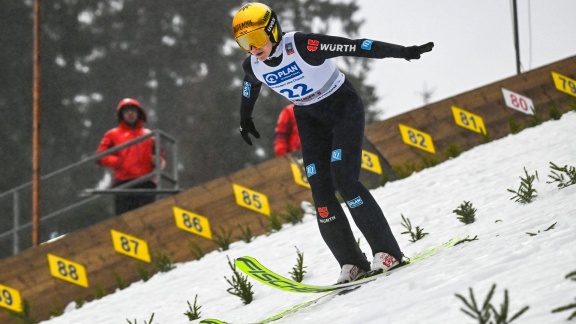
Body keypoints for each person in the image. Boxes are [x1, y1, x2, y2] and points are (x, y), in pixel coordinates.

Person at [232, 3, 434, 283]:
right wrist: (245, 117)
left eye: (255, 39)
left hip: (342, 107)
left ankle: (388, 252)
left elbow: (355, 46)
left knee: (345, 179)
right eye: (244, 43)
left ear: (272, 30)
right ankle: (352, 262)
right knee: (321, 192)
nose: (252, 48)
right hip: (308, 117)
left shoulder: (302, 45)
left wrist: (401, 51)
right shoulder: (253, 64)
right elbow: (248, 86)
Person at [96, 98, 165, 215]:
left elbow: (161, 157)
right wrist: (117, 161)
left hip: (147, 183)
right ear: (121, 115)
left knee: (149, 219)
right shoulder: (112, 134)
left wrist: (158, 162)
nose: (130, 113)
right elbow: (100, 156)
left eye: (133, 110)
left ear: (139, 113)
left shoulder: (149, 135)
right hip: (124, 184)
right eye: (126, 111)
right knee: (125, 222)